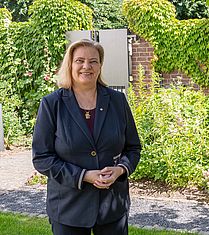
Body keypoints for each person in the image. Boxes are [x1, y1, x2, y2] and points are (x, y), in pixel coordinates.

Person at [32, 39, 141, 235]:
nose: (86, 66)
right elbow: (42, 158)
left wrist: (120, 170)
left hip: (112, 207)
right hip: (68, 208)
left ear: (100, 66)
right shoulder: (52, 104)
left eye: (93, 61)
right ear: (70, 64)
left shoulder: (117, 101)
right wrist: (83, 176)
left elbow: (133, 148)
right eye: (79, 60)